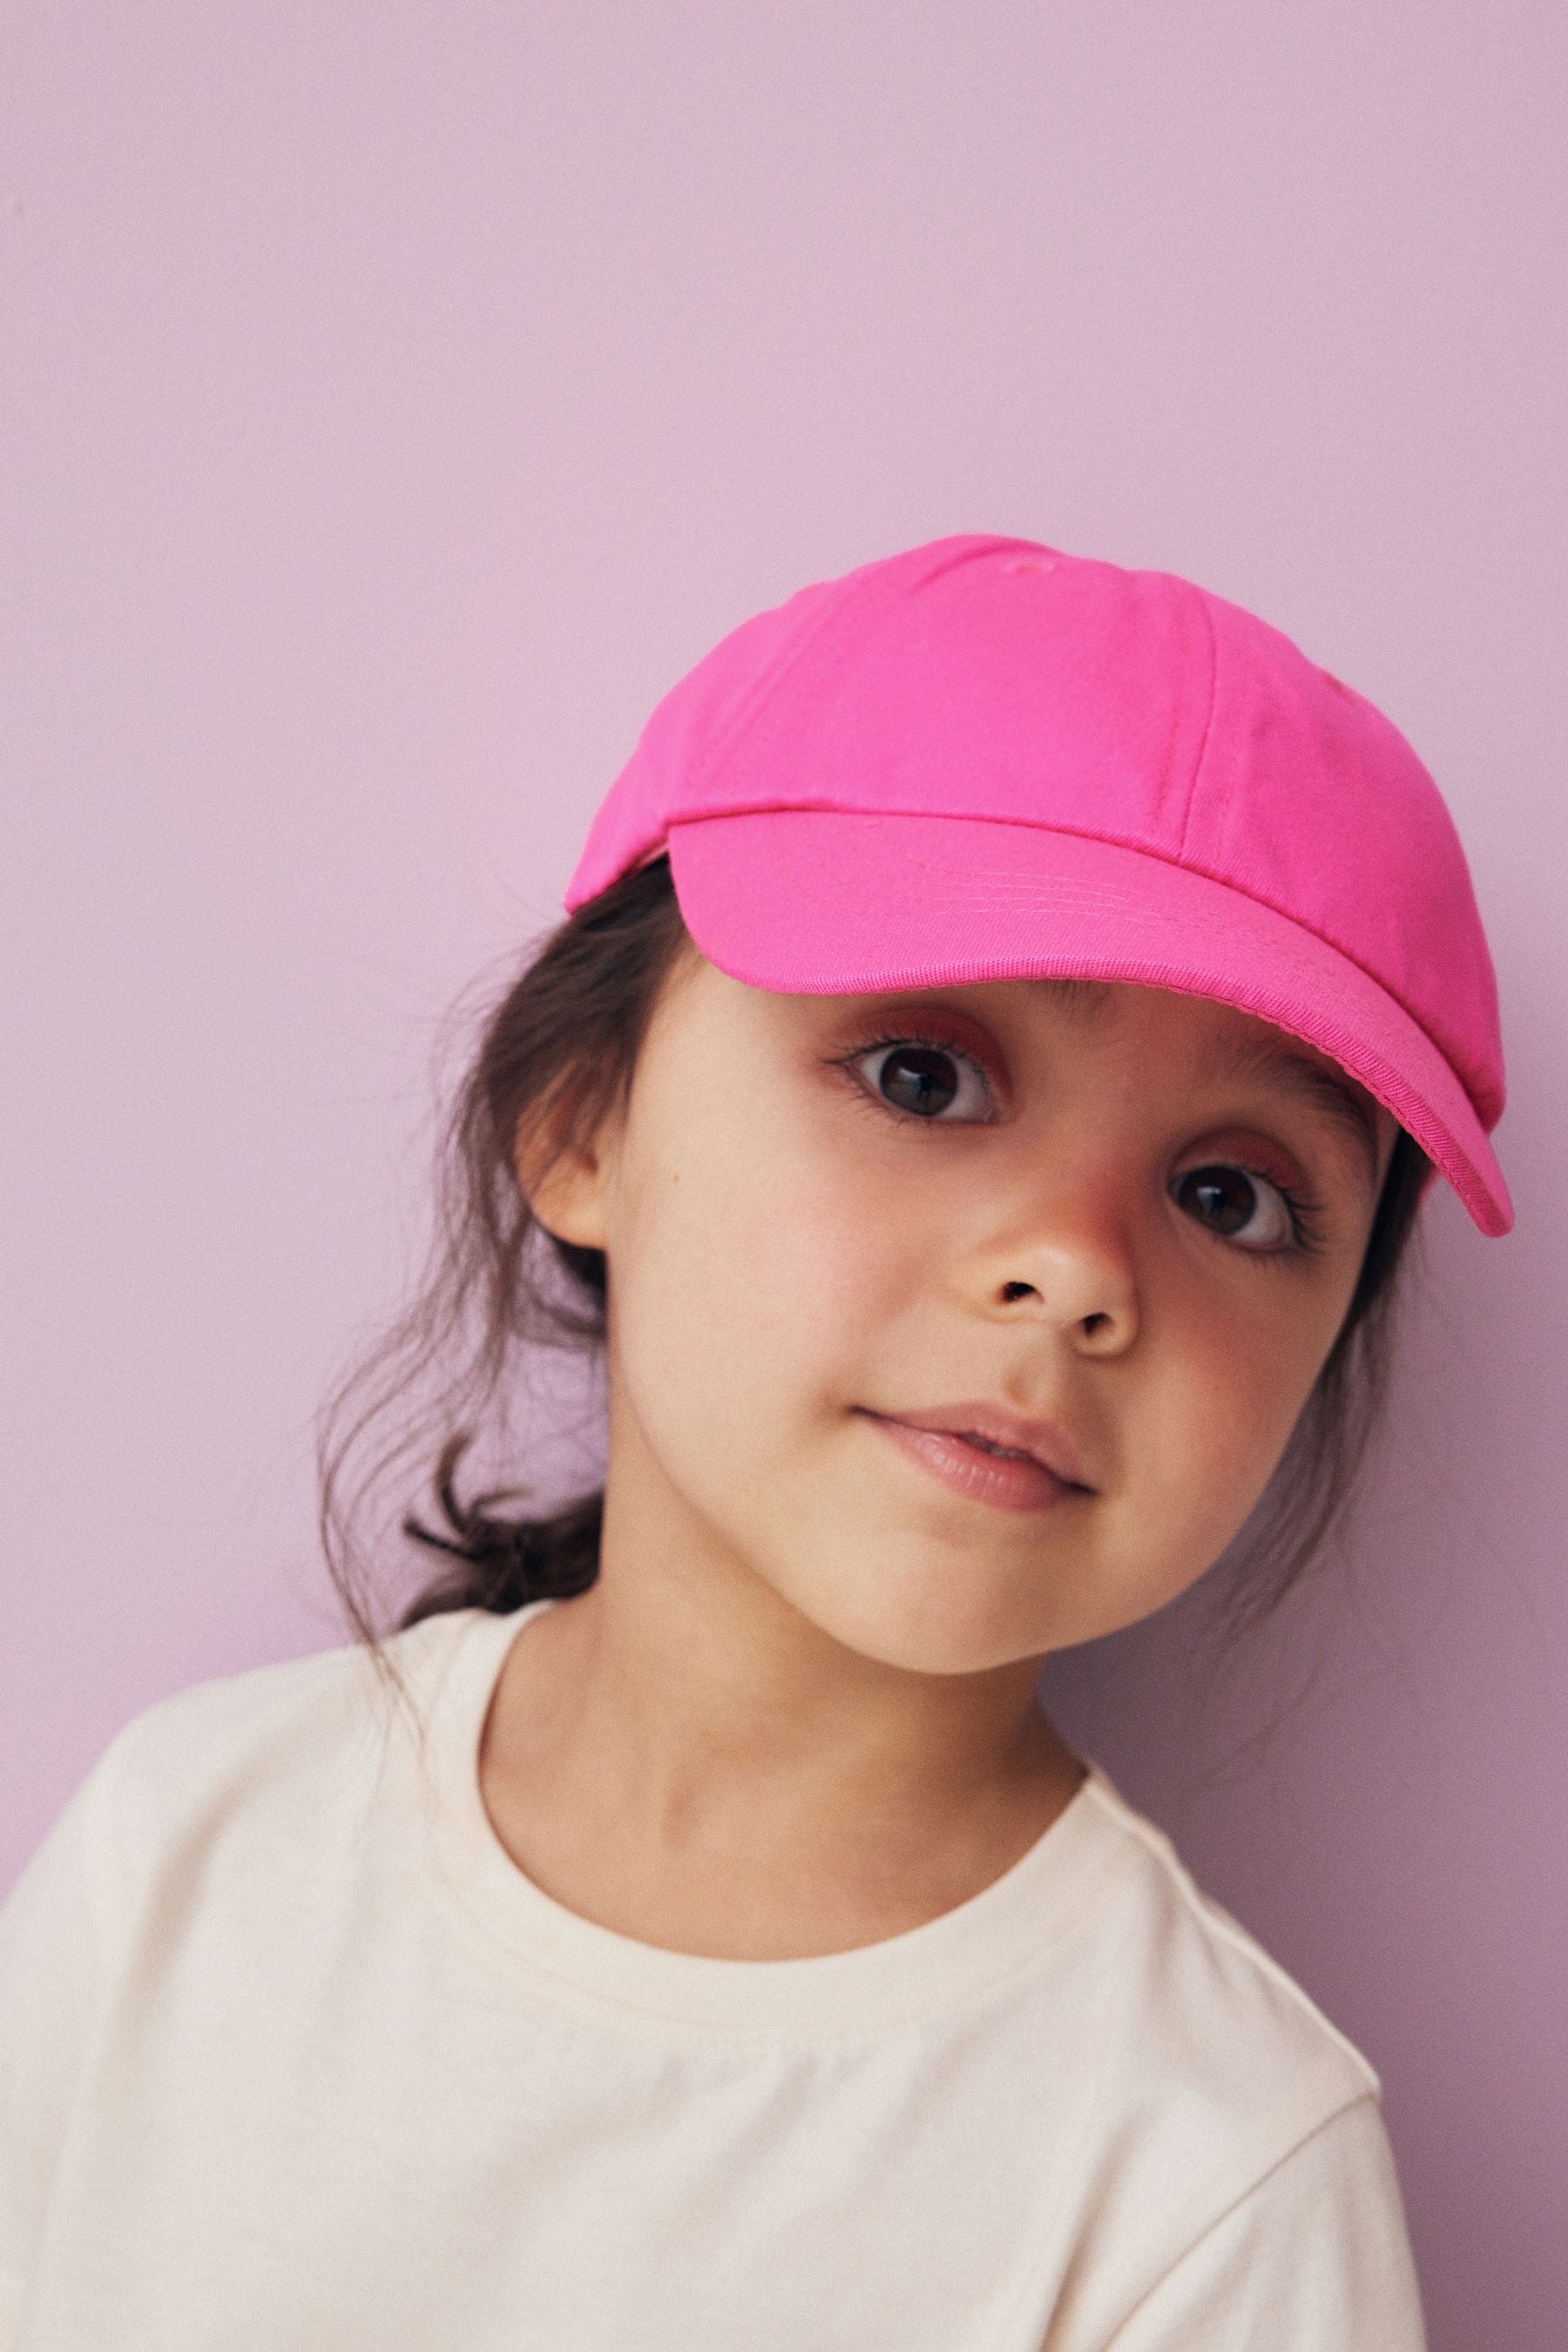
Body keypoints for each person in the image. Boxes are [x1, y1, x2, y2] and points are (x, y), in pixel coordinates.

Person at [0, 535, 1510, 2349]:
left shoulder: (1211, 2178)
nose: (1074, 1266)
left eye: (1229, 1196)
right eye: (922, 1076)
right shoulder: (189, 1850)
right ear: (581, 1123)